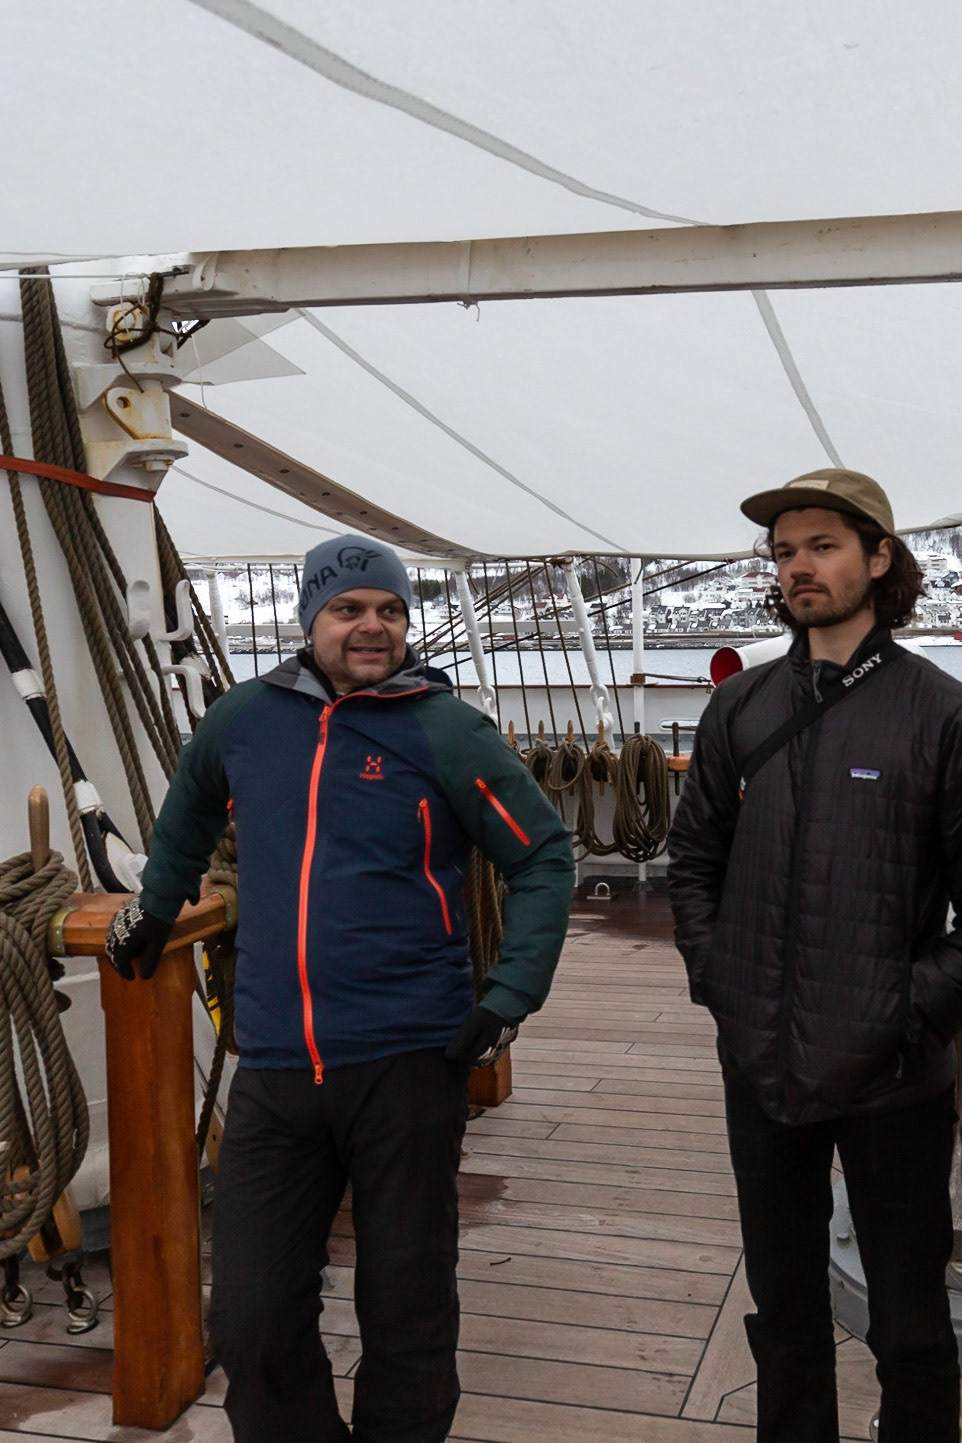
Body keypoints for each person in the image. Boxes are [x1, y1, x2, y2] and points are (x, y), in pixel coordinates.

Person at [105, 534, 574, 1443]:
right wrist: (157, 906)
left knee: (407, 1306)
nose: (372, 626)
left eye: (390, 610)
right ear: (309, 619)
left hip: (408, 1060)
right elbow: (191, 804)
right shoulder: (245, 719)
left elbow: (543, 856)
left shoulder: (447, 730)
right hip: (277, 1065)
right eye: (349, 608)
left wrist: (509, 993)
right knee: (251, 1314)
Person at [667, 469, 962, 1443]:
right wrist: (720, 979)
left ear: (878, 560)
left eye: (822, 546)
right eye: (785, 551)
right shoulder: (740, 706)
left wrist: (907, 1011)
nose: (798, 566)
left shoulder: (939, 712)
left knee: (909, 1321)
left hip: (892, 1074)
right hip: (761, 1065)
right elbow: (693, 860)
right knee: (785, 1311)